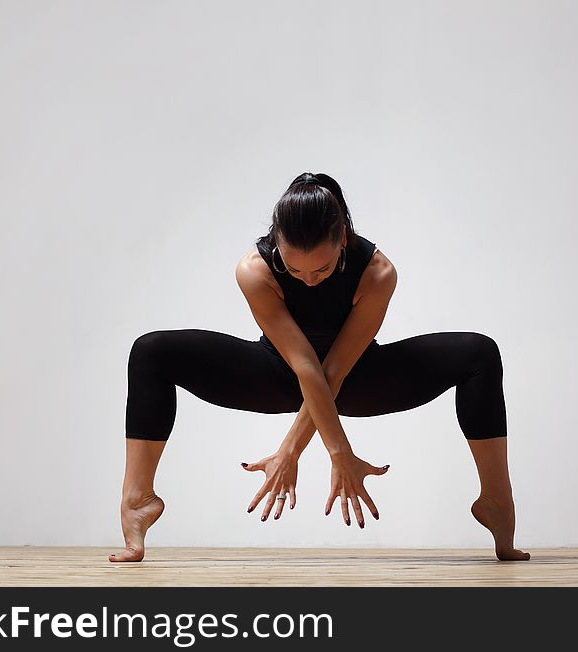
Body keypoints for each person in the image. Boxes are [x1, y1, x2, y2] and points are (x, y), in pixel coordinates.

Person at [110, 172, 530, 563]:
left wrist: (295, 451)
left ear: (343, 238)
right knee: (151, 352)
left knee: (480, 353)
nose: (309, 280)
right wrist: (337, 450)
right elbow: (304, 364)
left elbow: (333, 370)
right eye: (294, 270)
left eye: (323, 269)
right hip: (276, 375)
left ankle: (495, 499)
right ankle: (138, 499)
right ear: (277, 243)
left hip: (358, 378)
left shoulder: (377, 272)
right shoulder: (253, 271)